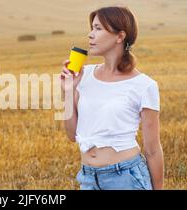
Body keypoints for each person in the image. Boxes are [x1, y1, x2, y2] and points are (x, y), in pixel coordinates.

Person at [60, 6, 164, 190]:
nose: (90, 35)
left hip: (125, 178)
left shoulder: (144, 85)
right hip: (88, 179)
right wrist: (68, 91)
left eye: (98, 29)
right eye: (92, 28)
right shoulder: (84, 76)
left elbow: (153, 149)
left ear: (120, 36)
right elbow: (72, 135)